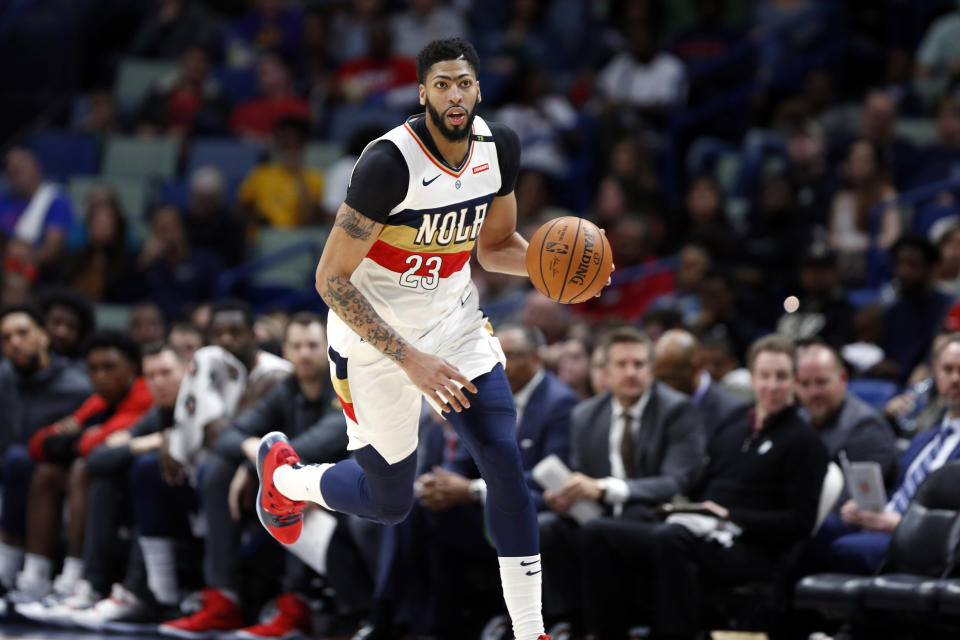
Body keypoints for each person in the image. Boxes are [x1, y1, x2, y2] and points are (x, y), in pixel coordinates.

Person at [254, 38, 610, 640]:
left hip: (454, 323)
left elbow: (495, 246)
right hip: (375, 336)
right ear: (423, 93)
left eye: (464, 83)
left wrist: (556, 275)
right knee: (389, 501)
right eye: (441, 84)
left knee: (503, 459)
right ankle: (284, 478)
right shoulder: (387, 164)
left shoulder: (501, 149)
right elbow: (329, 279)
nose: (454, 94)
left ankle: (531, 631)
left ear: (478, 90)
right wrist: (410, 360)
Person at [580, 335, 828, 640]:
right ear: (752, 379)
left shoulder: (805, 442)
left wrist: (731, 515)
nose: (772, 386)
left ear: (795, 381)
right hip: (699, 527)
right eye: (764, 376)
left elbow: (799, 523)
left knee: (671, 538)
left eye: (781, 376)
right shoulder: (735, 428)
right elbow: (699, 484)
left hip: (752, 546)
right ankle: (605, 632)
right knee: (600, 532)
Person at [536, 327, 706, 633]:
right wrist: (567, 496)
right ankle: (569, 623)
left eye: (639, 364)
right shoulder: (585, 415)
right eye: (622, 365)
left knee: (600, 532)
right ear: (605, 372)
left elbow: (677, 481)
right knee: (546, 528)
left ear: (652, 370)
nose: (631, 373)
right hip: (599, 516)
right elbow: (580, 474)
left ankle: (604, 631)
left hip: (653, 517)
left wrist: (603, 488)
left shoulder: (678, 410)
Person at [14, 331, 152, 603]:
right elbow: (39, 444)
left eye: (109, 367)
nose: (100, 375)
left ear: (132, 369)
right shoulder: (98, 401)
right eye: (93, 369)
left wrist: (74, 439)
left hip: (130, 487)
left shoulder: (144, 395)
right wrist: (78, 439)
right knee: (47, 473)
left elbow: (95, 448)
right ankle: (35, 578)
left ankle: (77, 577)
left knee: (82, 467)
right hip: (107, 483)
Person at [810, 333, 960, 574]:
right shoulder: (923, 440)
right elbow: (898, 492)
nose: (955, 379)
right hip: (883, 523)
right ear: (935, 374)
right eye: (948, 369)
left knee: (847, 548)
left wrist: (901, 524)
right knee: (816, 528)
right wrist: (864, 509)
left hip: (924, 539)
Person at [0, 306, 91, 590]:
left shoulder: (78, 387)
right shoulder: (3, 379)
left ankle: (9, 567)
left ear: (43, 336)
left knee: (19, 459)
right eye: (6, 337)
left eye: (23, 333)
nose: (15, 342)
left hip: (50, 477)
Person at [795, 342, 898, 484]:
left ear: (843, 378)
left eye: (821, 382)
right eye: (805, 384)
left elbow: (855, 498)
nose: (814, 392)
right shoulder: (800, 418)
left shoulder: (866, 428)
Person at [651, 328, 748, 442]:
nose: (662, 387)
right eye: (658, 379)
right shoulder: (651, 402)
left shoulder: (731, 412)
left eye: (670, 378)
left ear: (695, 368)